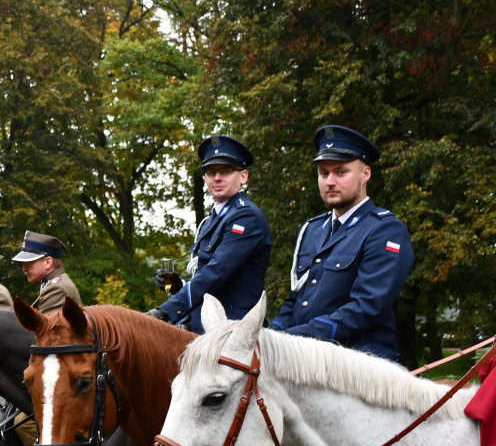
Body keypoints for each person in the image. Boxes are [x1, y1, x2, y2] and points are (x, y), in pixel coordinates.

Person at [271, 125, 414, 362]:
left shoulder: (385, 230)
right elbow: (296, 299)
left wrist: (291, 340)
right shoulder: (313, 229)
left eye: (341, 172)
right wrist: (270, 334)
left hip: (359, 364)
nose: (329, 181)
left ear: (365, 174)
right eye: (323, 173)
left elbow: (366, 309)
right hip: (306, 359)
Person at [150, 135, 273, 333]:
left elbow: (216, 273)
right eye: (211, 172)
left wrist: (165, 311)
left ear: (243, 176)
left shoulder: (246, 217)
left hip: (234, 332)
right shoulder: (212, 221)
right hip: (205, 326)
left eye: (225, 171)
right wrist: (178, 284)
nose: (217, 178)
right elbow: (205, 276)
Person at [11, 231, 82, 314]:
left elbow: (43, 326)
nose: (24, 268)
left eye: (29, 262)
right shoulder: (53, 284)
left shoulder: (57, 289)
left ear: (48, 262)